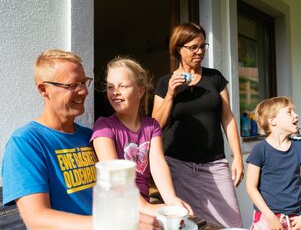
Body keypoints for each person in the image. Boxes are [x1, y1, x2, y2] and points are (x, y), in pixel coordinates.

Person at [1, 49, 161, 230]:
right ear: (44, 89)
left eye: (84, 83)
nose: (84, 91)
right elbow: (37, 219)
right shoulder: (26, 142)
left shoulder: (90, 136)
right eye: (72, 85)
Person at [152, 22, 244, 227]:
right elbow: (155, 125)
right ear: (178, 48)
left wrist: (237, 156)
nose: (200, 51)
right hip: (178, 164)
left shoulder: (215, 78)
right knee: (190, 223)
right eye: (193, 47)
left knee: (232, 223)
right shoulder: (165, 82)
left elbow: (227, 118)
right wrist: (170, 94)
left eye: (203, 46)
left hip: (214, 164)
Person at [91, 56, 193, 217]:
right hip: (116, 209)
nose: (115, 92)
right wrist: (145, 207)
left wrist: (171, 199)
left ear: (140, 91)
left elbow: (158, 164)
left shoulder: (152, 126)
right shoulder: (103, 126)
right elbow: (114, 177)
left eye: (122, 86)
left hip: (144, 206)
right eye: (110, 87)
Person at [246, 96, 301, 230]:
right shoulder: (259, 150)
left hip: (296, 218)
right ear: (272, 121)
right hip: (267, 219)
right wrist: (270, 217)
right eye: (289, 112)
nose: (296, 115)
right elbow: (251, 186)